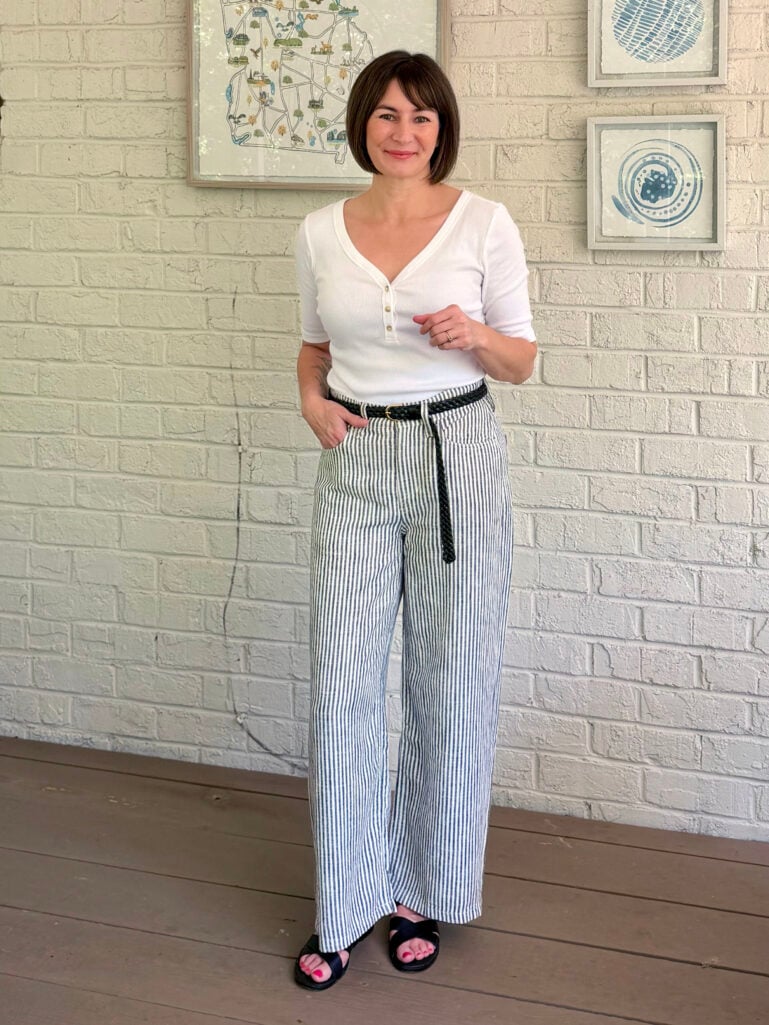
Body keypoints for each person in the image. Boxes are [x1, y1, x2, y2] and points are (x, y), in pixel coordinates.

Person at [292, 50, 537, 991]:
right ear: (362, 123)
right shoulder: (320, 231)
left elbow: (520, 361)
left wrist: (470, 335)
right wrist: (311, 402)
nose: (403, 132)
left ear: (443, 128)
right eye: (387, 115)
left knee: (448, 683)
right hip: (356, 459)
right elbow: (313, 348)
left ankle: (421, 890)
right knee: (344, 683)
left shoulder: (483, 223)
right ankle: (345, 899)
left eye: (421, 117)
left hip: (455, 458)